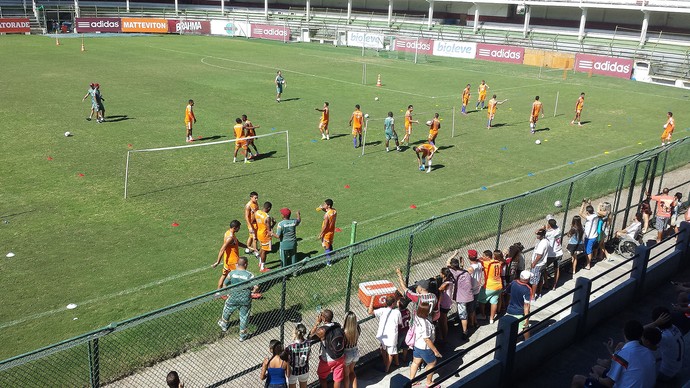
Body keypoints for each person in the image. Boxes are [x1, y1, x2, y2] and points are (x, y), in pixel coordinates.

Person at [571, 320, 656, 388]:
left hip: (617, 384)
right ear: (641, 335)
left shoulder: (623, 354)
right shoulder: (648, 352)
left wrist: (597, 378)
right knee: (596, 368)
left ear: (624, 334)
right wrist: (612, 352)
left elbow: (609, 383)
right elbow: (628, 366)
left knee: (577, 379)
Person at [217, 257, 258, 341]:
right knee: (244, 316)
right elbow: (256, 286)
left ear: (237, 264)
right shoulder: (249, 275)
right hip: (245, 298)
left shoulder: (232, 273)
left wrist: (228, 293)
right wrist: (252, 292)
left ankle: (224, 325)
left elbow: (225, 284)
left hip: (233, 297)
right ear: (245, 264)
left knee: (227, 309)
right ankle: (242, 336)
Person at [212, 219, 256, 291]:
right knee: (239, 275)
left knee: (224, 275)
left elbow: (237, 243)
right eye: (239, 227)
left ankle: (218, 291)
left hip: (227, 260)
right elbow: (222, 249)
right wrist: (218, 261)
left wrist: (248, 247)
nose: (239, 229)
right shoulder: (230, 238)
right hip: (233, 261)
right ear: (235, 228)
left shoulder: (228, 233)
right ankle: (240, 290)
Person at [645, 306, 683, 382]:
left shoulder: (664, 337)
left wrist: (655, 323)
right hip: (676, 367)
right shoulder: (674, 328)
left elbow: (638, 333)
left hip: (666, 374)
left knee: (643, 350)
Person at [408, 302, 442, 387]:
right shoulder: (425, 323)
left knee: (415, 362)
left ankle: (412, 381)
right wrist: (435, 351)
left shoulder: (416, 317)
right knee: (432, 363)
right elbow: (426, 339)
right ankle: (429, 382)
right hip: (425, 347)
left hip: (417, 345)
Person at [309, 309, 346, 388]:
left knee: (322, 376)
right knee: (337, 379)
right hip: (340, 356)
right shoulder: (337, 325)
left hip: (328, 360)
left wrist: (317, 323)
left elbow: (310, 337)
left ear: (324, 319)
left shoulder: (322, 330)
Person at [368, 296, 402, 373]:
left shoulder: (382, 310)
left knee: (383, 348)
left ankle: (386, 363)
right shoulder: (397, 312)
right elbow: (400, 323)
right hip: (392, 336)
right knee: (391, 352)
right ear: (393, 303)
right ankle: (387, 368)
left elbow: (370, 311)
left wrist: (372, 300)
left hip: (383, 335)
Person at [447, 255, 474, 339]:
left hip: (462, 298)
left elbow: (447, 263)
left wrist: (454, 254)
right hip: (470, 295)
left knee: (463, 315)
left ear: (452, 266)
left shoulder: (454, 273)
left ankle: (465, 332)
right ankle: (472, 324)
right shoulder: (465, 272)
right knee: (471, 310)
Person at [284, 323, 317, 388]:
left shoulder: (290, 347)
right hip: (304, 370)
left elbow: (286, 359)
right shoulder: (308, 344)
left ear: (295, 333)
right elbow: (310, 336)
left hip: (293, 372)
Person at [505, 270, 533, 340]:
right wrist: (526, 318)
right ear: (527, 279)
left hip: (510, 309)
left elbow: (507, 291)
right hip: (519, 312)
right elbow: (526, 305)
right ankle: (528, 341)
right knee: (525, 327)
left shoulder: (513, 282)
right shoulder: (527, 289)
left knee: (512, 328)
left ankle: (513, 340)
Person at [479, 250, 504, 324]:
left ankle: (483, 315)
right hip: (499, 285)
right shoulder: (497, 262)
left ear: (487, 257)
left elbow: (477, 260)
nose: (483, 257)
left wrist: (480, 258)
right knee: (494, 301)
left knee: (481, 300)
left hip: (490, 286)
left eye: (484, 256)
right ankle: (491, 319)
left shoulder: (486, 263)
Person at [255, 201, 275, 272]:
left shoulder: (257, 212)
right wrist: (274, 224)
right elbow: (269, 229)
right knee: (264, 251)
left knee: (261, 248)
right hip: (265, 235)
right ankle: (262, 267)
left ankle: (260, 263)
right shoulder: (267, 217)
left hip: (259, 233)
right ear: (269, 208)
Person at [530, 228, 549, 300]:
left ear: (542, 235)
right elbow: (536, 232)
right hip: (543, 263)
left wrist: (534, 263)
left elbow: (539, 255)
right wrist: (540, 229)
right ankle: (539, 293)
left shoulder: (542, 244)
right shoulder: (546, 240)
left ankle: (532, 296)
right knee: (540, 279)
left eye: (538, 234)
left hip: (538, 264)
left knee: (534, 281)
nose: (537, 235)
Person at [436, 267, 454, 342]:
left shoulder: (446, 283)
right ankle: (442, 336)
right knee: (442, 320)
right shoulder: (449, 280)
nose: (440, 274)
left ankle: (444, 337)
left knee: (443, 321)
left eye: (441, 273)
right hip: (446, 302)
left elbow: (439, 289)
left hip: (444, 304)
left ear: (444, 275)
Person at [579, 200, 599, 270]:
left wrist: (583, 204)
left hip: (590, 237)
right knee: (590, 249)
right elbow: (591, 211)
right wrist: (590, 204)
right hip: (594, 236)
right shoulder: (595, 215)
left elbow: (580, 213)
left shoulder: (589, 218)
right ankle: (590, 260)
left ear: (587, 212)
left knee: (588, 251)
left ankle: (588, 265)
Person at [343, 311, 360, 388]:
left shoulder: (343, 331)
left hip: (347, 353)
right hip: (356, 352)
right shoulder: (358, 329)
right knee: (352, 371)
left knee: (346, 375)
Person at [467, 249, 484, 329]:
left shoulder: (470, 268)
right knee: (473, 307)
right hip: (477, 287)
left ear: (469, 257)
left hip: (471, 290)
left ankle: (472, 323)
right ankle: (475, 322)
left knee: (471, 309)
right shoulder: (479, 264)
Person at [545, 219, 563, 290]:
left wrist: (546, 228)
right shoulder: (558, 229)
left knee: (543, 268)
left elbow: (545, 234)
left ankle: (546, 284)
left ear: (549, 225)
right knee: (557, 269)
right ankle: (554, 286)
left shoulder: (548, 234)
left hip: (551, 254)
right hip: (559, 252)